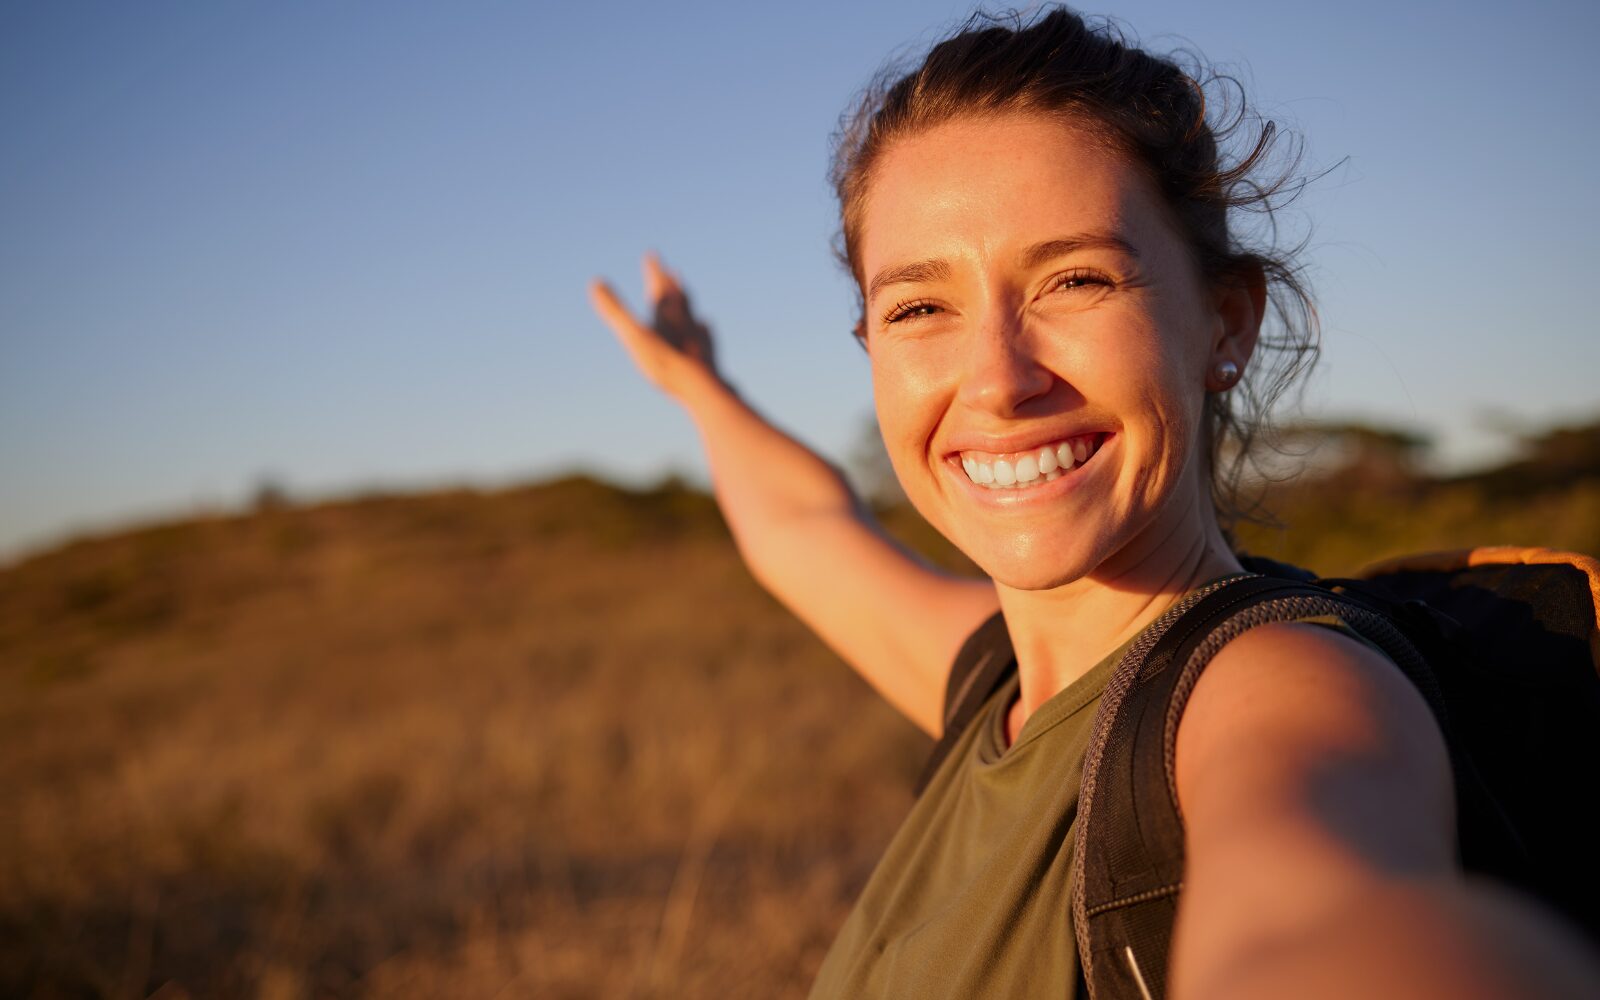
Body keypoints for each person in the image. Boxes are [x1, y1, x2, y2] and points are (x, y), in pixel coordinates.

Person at [589, 7, 1599, 998]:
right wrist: (698, 389)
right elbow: (804, 529)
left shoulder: (1278, 688)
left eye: (1075, 280)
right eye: (919, 307)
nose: (994, 379)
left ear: (1223, 322)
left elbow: (1320, 920)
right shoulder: (996, 679)